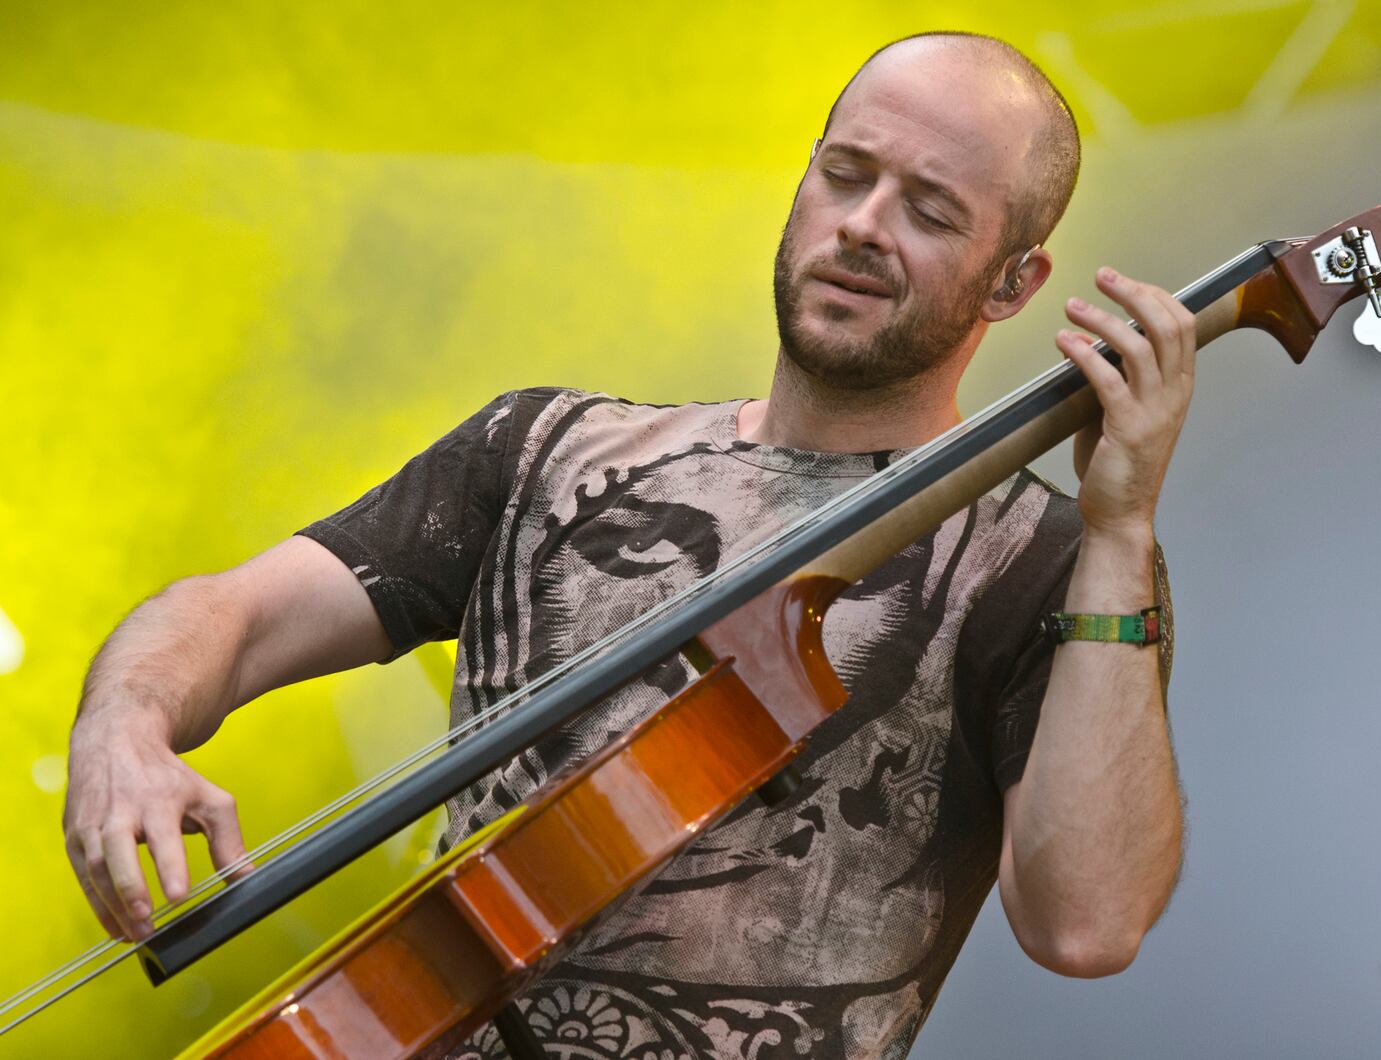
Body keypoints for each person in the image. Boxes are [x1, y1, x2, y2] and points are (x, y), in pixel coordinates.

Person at [63, 31, 1194, 1059]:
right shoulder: (548, 447)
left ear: (1014, 281)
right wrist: (126, 721)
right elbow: (237, 612)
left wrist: (1122, 526)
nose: (861, 224)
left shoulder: (1052, 560)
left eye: (929, 209)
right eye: (845, 174)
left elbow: (1085, 923)